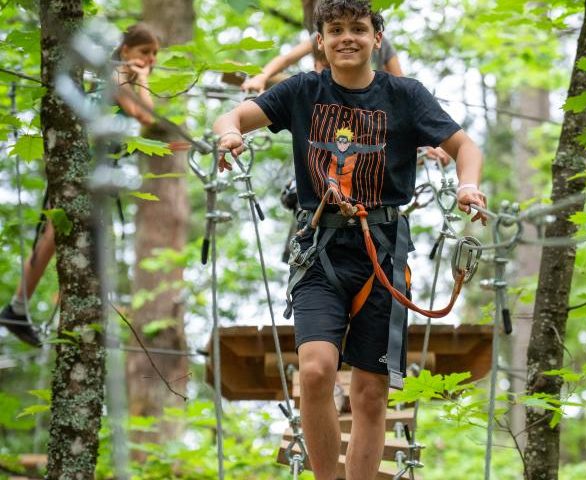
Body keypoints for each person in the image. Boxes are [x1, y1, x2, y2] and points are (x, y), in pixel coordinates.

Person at [214, 0, 487, 478]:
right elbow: (232, 118)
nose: (347, 37)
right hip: (319, 247)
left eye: (358, 29)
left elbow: (463, 146)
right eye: (335, 29)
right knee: (316, 370)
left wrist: (468, 184)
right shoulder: (302, 91)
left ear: (376, 39)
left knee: (370, 390)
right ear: (319, 41)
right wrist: (229, 136)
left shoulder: (405, 96)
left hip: (382, 249)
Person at [0, 23, 159, 347]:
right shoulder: (116, 77)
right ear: (125, 50)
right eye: (145, 52)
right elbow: (145, 116)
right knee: (54, 234)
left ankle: (18, 306)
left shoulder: (117, 76)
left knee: (54, 234)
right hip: (85, 165)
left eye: (155, 54)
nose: (151, 59)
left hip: (91, 166)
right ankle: (18, 306)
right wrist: (141, 79)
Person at [241, 29, 402, 93]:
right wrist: (262, 76)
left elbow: (401, 83)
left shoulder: (376, 42)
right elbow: (286, 59)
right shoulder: (325, 36)